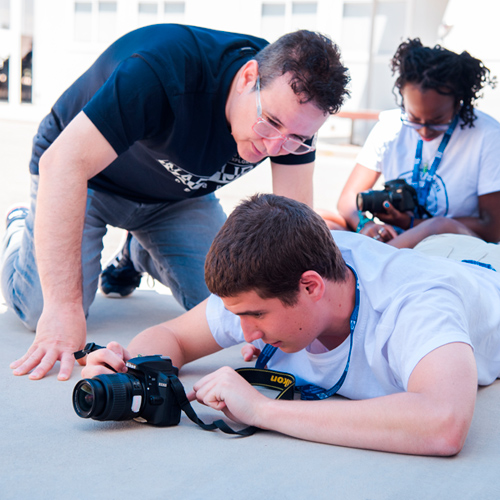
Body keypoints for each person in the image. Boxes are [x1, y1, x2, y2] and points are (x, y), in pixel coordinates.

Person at [2, 25, 350, 381]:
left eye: (296, 139)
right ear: (249, 77)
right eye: (270, 124)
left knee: (240, 297)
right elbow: (63, 164)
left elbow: (294, 226)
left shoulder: (294, 112)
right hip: (86, 180)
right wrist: (63, 307)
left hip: (177, 199)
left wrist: (291, 318)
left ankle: (140, 253)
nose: (276, 147)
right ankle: (21, 226)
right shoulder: (160, 70)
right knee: (43, 309)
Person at [82, 193, 500, 456]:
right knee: (423, 245)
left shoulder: (418, 304)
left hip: (481, 269)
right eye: (238, 316)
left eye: (257, 316)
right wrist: (127, 364)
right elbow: (173, 336)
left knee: (442, 234)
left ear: (311, 287)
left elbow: (442, 422)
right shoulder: (278, 271)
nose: (244, 333)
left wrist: (263, 410)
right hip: (421, 258)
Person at [321, 38, 500, 248]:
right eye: (414, 119)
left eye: (437, 122)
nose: (424, 130)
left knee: (438, 226)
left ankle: (375, 259)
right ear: (402, 98)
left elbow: (492, 227)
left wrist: (413, 223)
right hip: (395, 240)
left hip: (451, 247)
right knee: (320, 218)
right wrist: (366, 225)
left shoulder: (487, 136)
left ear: (458, 103)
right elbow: (348, 199)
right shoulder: (389, 128)